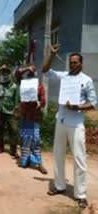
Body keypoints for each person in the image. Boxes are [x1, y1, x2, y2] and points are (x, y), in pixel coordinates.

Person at [43, 46, 97, 209]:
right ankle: (60, 186)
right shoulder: (64, 76)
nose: (72, 65)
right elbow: (45, 71)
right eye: (71, 62)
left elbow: (94, 103)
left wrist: (79, 107)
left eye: (75, 62)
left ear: (81, 64)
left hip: (76, 124)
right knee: (58, 155)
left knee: (79, 159)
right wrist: (52, 55)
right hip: (61, 121)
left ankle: (80, 194)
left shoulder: (86, 80)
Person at [15, 65, 47, 174]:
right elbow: (17, 74)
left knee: (35, 140)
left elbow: (43, 101)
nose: (30, 75)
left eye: (32, 74)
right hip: (24, 115)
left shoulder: (39, 86)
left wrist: (37, 103)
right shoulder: (23, 84)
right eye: (29, 74)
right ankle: (24, 160)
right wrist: (27, 68)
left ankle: (38, 163)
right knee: (24, 138)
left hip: (34, 117)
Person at [0, 65, 20, 158]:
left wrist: (16, 110)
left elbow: (16, 99)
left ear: (10, 74)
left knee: (14, 130)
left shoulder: (14, 86)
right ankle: (0, 147)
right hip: (0, 109)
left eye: (7, 73)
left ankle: (13, 150)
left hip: (10, 111)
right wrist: (1, 67)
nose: (5, 75)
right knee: (0, 129)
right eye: (3, 73)